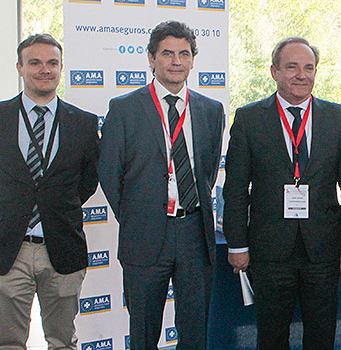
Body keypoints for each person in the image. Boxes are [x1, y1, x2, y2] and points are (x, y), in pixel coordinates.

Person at [223, 36, 341, 349]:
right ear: (274, 71)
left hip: (324, 249)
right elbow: (235, 188)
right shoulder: (249, 119)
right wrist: (237, 243)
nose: (302, 75)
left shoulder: (339, 118)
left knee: (322, 335)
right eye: (292, 67)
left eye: (309, 67)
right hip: (269, 249)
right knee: (271, 337)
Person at [0, 33, 98, 350]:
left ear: (61, 67)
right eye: (34, 62)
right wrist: (9, 208)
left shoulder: (84, 123)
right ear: (20, 67)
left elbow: (87, 182)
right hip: (7, 247)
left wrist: (54, 209)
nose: (44, 70)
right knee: (9, 341)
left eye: (52, 63)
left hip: (62, 247)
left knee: (63, 341)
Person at [97, 20, 225, 350]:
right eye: (167, 53)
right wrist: (138, 214)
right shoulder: (124, 109)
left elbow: (207, 172)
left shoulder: (211, 110)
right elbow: (110, 174)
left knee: (195, 331)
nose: (176, 61)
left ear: (193, 60)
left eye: (184, 53)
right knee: (143, 332)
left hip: (194, 232)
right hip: (145, 234)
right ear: (151, 58)